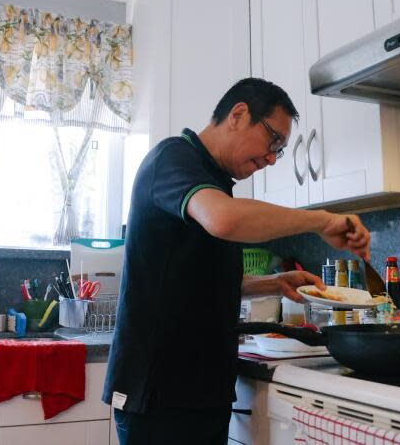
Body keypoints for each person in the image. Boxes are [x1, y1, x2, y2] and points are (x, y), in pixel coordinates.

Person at [103, 77, 371, 445]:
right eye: (273, 140)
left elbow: (190, 280)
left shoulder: (214, 182)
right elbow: (224, 219)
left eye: (280, 148)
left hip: (201, 392)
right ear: (238, 114)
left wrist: (271, 285)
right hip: (159, 392)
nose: (273, 158)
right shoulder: (173, 158)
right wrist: (320, 220)